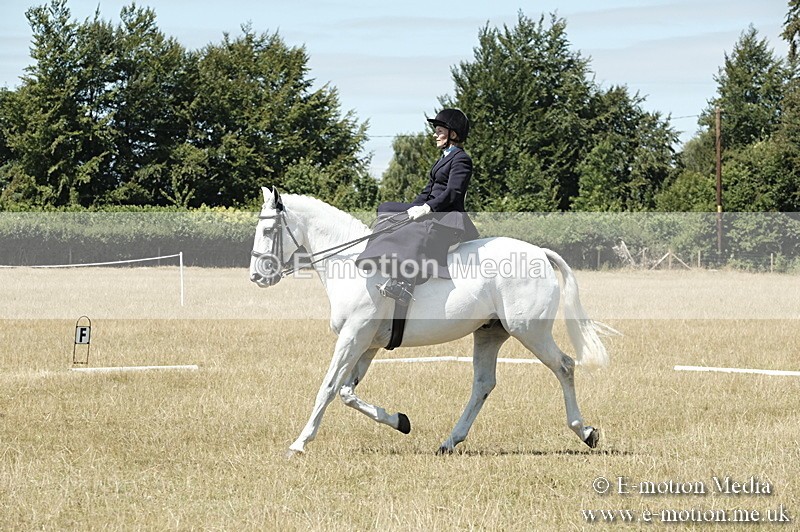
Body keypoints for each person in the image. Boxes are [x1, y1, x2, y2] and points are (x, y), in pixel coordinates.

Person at [356, 108, 480, 305]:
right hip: (432, 211)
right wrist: (411, 209)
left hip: (447, 218)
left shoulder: (462, 159)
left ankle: (403, 284)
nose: (435, 135)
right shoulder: (443, 159)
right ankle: (382, 260)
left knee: (412, 230)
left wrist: (427, 208)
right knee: (386, 208)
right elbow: (427, 191)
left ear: (453, 134)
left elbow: (453, 193)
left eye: (439, 131)